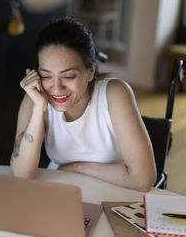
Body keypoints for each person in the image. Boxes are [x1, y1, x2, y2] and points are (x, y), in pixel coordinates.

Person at [10, 17, 156, 192]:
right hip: (59, 192)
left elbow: (143, 179)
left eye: (69, 76)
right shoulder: (37, 97)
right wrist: (38, 109)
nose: (56, 88)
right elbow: (21, 173)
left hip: (114, 193)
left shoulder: (114, 94)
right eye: (46, 76)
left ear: (90, 72)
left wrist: (77, 168)